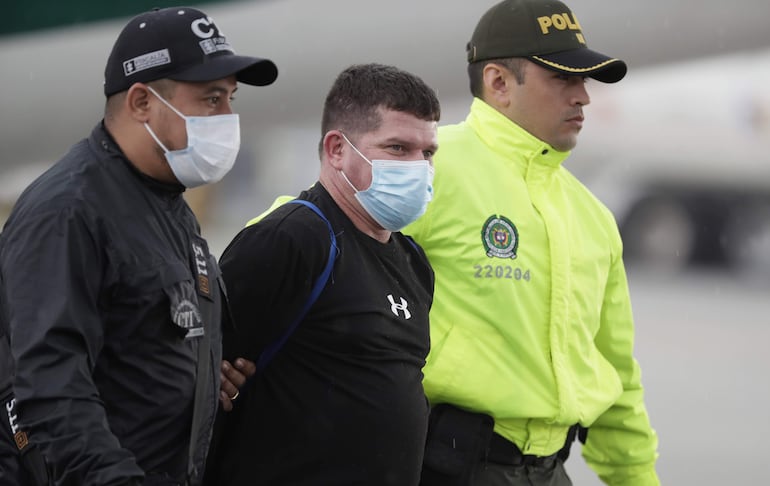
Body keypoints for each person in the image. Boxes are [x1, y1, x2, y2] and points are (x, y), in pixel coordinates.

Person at [0, 6, 277, 485]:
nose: (227, 117)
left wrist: (207, 375)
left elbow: (145, 337)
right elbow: (49, 390)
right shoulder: (68, 212)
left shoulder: (163, 198)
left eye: (231, 98)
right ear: (141, 102)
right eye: (211, 99)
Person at [402, 1, 660, 485]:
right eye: (564, 78)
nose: (583, 96)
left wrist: (638, 479)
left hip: (550, 473)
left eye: (585, 81)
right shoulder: (428, 168)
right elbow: (303, 237)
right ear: (499, 83)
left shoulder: (593, 216)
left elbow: (616, 376)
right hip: (442, 467)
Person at [202, 63, 440, 486]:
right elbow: (203, 373)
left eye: (428, 153)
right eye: (398, 149)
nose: (419, 167)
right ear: (337, 150)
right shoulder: (292, 238)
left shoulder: (412, 260)